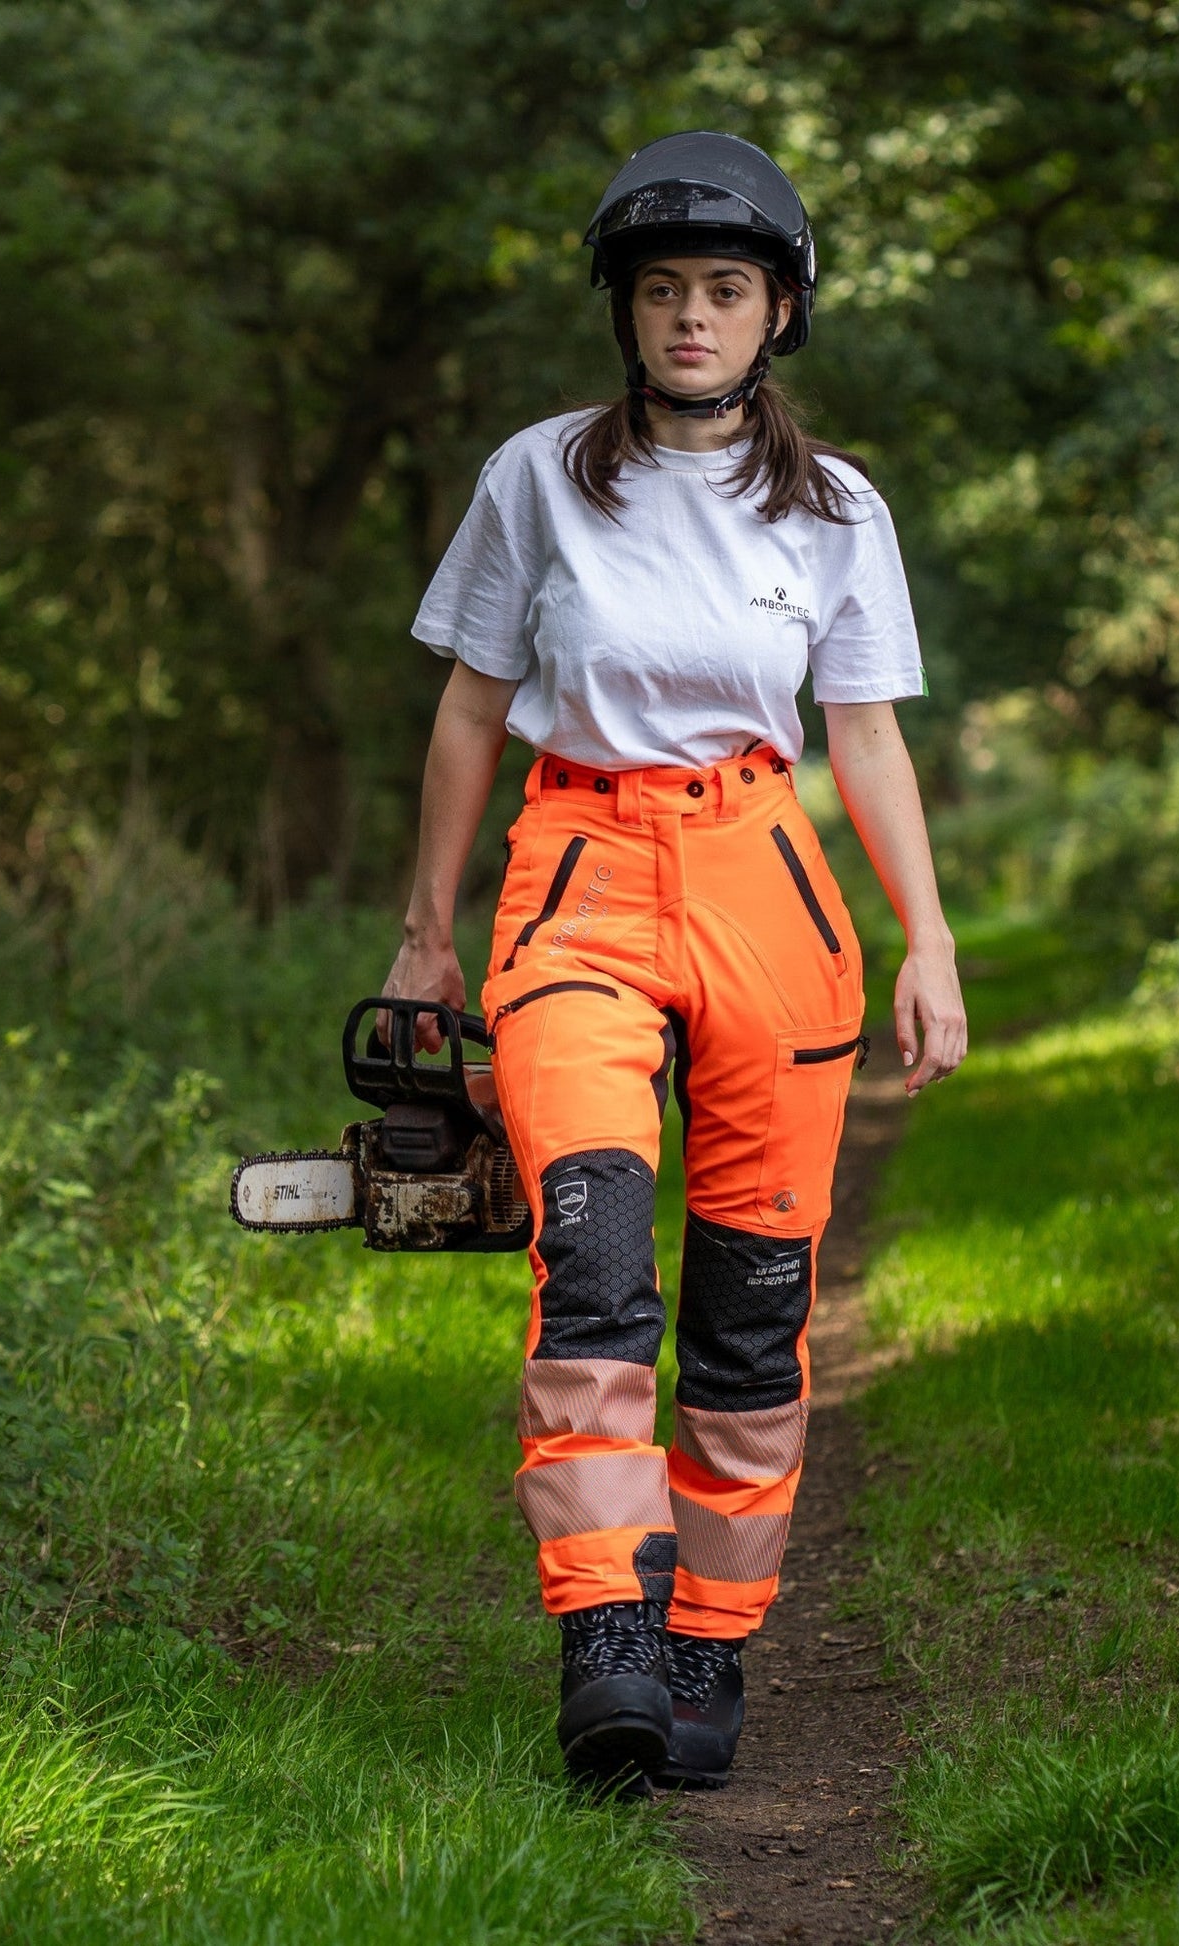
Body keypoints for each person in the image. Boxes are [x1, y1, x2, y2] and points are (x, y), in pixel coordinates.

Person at [383, 130, 968, 1793]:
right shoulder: (536, 476)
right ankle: (605, 1629)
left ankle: (710, 1636)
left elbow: (864, 734)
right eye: (660, 290)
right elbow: (469, 710)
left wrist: (926, 937)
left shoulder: (835, 506)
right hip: (576, 872)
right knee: (591, 1251)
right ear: (624, 313)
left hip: (764, 878)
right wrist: (425, 935)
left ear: (778, 311)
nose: (690, 316)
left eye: (723, 288)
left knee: (752, 1301)